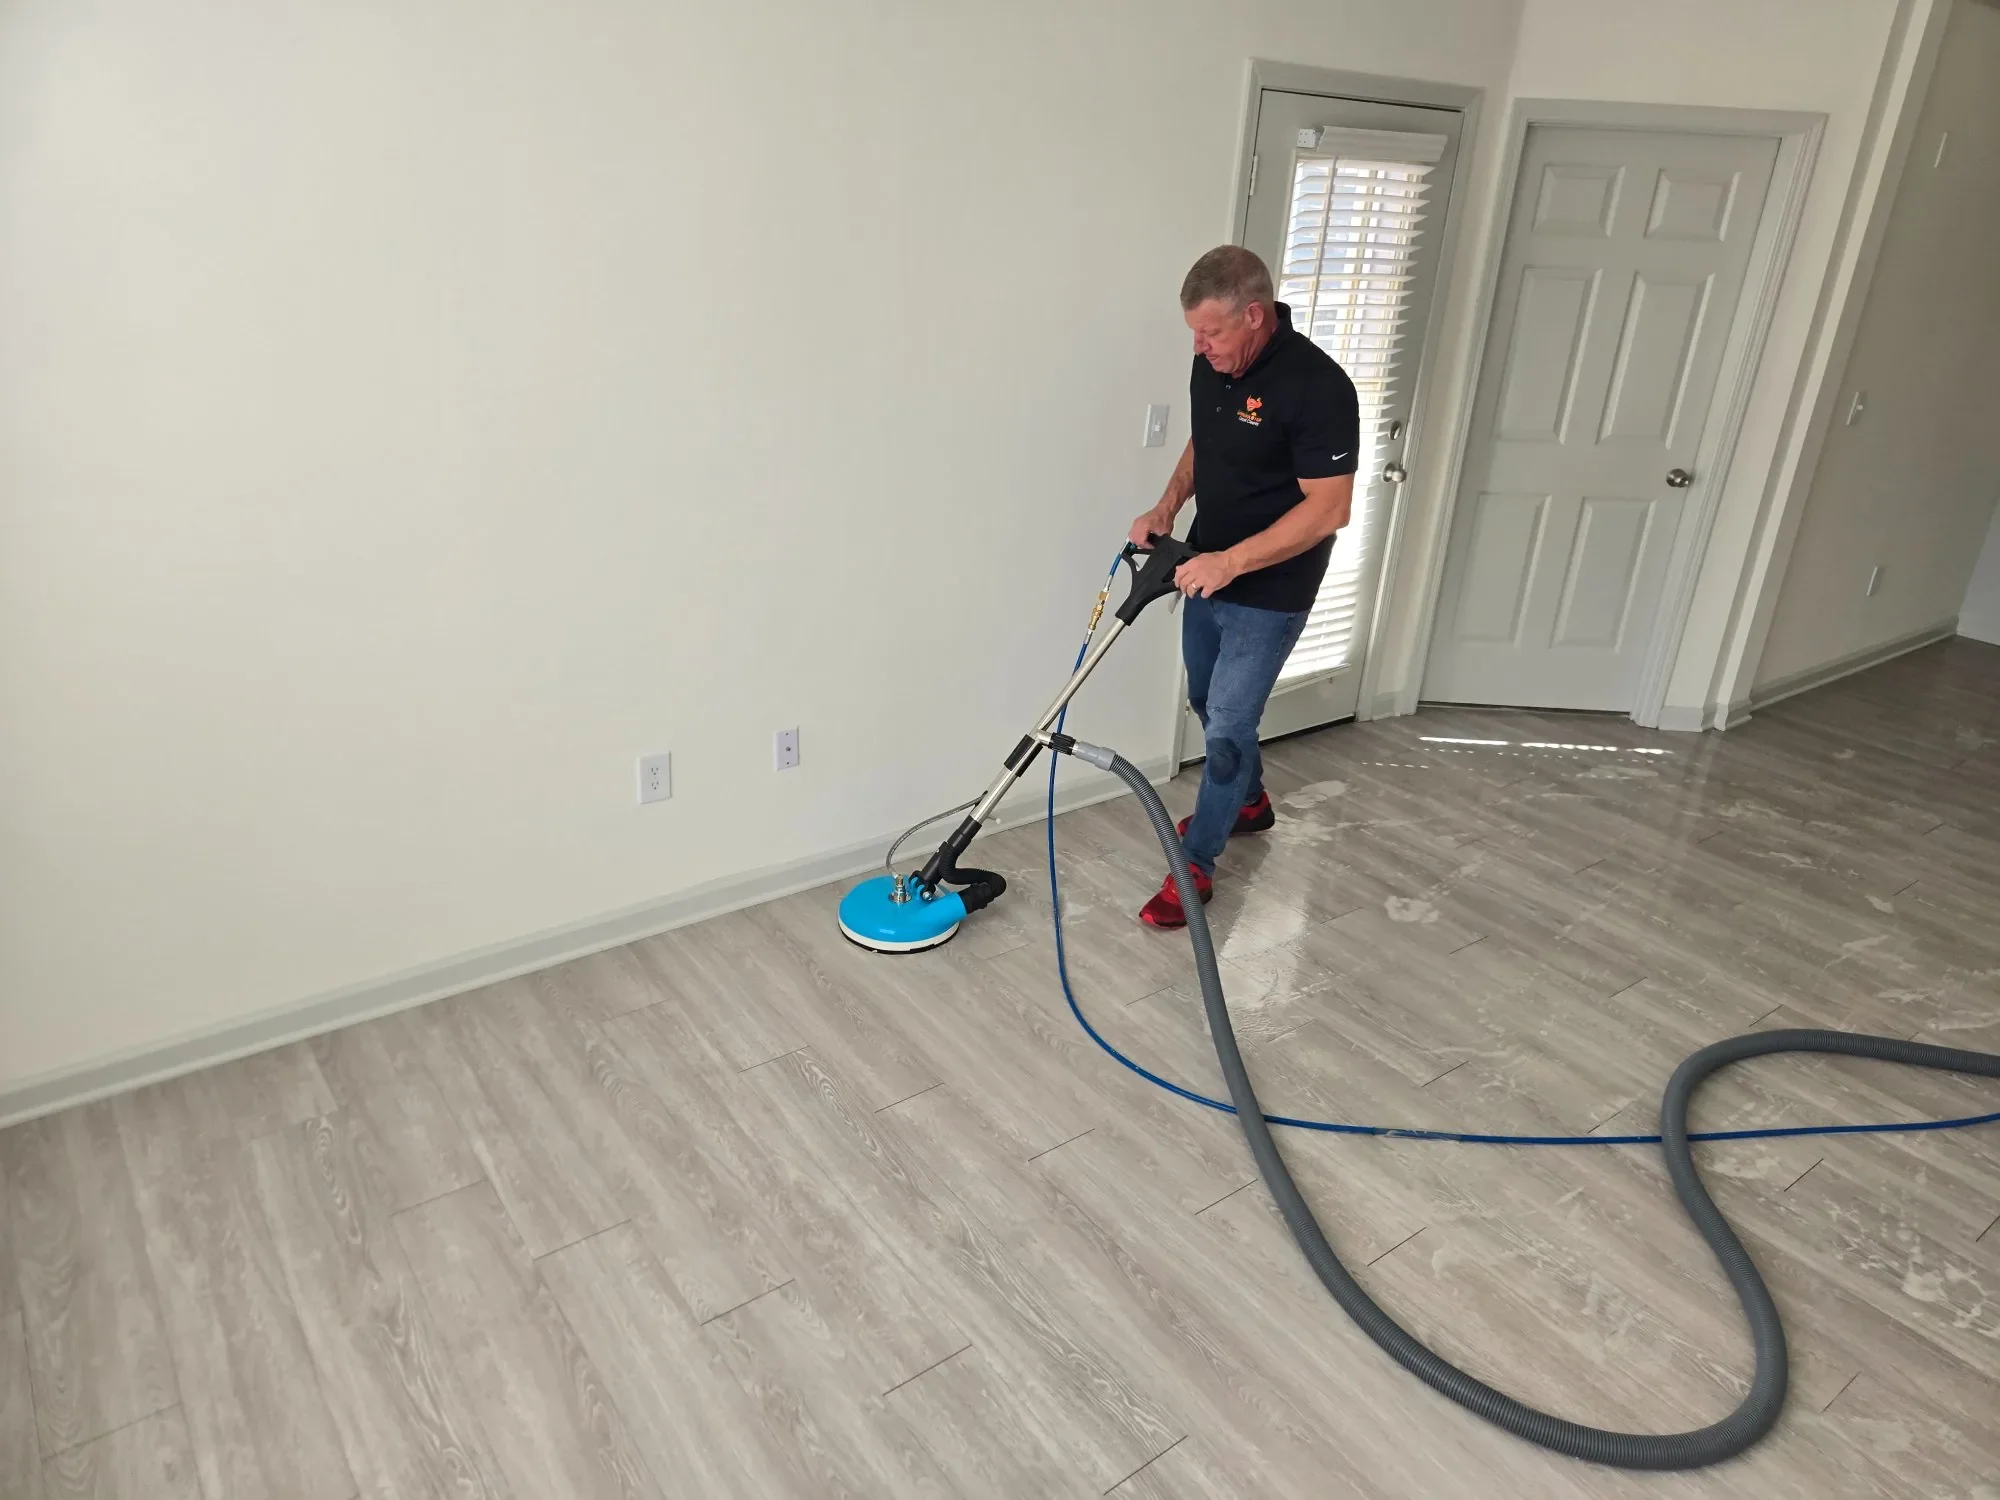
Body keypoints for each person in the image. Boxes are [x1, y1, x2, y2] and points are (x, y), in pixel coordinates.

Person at [1126, 245, 1359, 928]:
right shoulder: (1213, 364)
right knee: (1203, 697)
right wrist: (1168, 507)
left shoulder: (1318, 387)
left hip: (1270, 588)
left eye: (1213, 332)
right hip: (1207, 567)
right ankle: (1250, 802)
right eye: (1194, 333)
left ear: (1254, 315)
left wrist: (1231, 564)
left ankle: (1193, 865)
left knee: (1226, 727)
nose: (1200, 346)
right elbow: (1205, 441)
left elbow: (1329, 509)